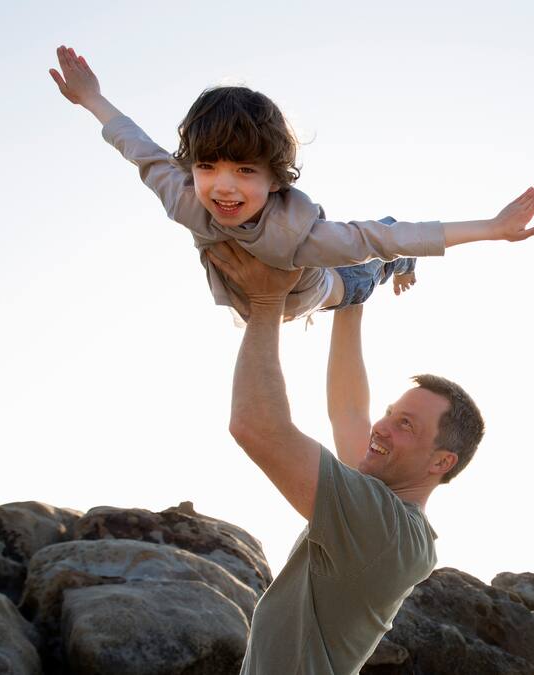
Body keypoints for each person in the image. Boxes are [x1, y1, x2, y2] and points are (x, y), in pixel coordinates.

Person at [49, 45, 534, 320]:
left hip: (326, 288)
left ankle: (401, 268)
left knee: (371, 262)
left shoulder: (304, 236)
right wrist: (91, 97)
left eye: (245, 171)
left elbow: (381, 238)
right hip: (258, 300)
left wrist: (492, 227)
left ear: (275, 180)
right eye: (209, 167)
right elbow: (137, 147)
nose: (223, 187)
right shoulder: (183, 197)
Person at [204, 240, 498, 674]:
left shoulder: (383, 528)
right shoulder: (390, 515)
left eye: (406, 425)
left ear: (441, 462)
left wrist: (266, 302)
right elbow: (349, 411)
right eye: (390, 413)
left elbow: (256, 427)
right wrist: (355, 293)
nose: (382, 427)